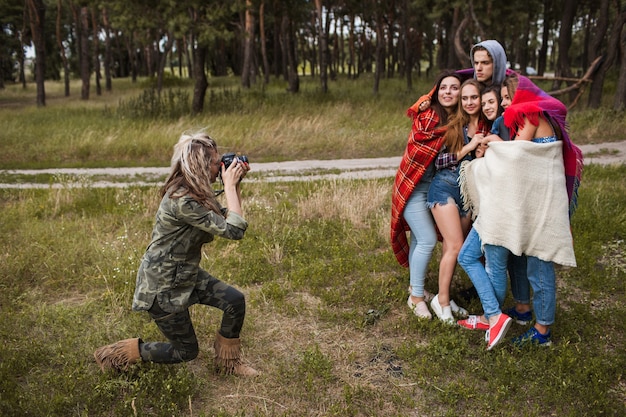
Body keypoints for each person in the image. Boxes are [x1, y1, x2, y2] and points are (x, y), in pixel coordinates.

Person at [94, 131, 259, 376]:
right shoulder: (182, 200)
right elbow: (234, 230)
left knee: (234, 301)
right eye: (217, 162)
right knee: (186, 351)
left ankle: (229, 363)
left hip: (186, 274)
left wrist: (235, 186)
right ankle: (117, 354)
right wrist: (229, 185)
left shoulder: (195, 192)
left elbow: (229, 218)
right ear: (201, 165)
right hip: (163, 286)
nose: (220, 166)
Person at [457, 75, 583, 349]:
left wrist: (491, 143)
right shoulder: (530, 114)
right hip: (534, 201)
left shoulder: (529, 113)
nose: (503, 104)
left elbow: (516, 155)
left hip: (542, 206)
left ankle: (542, 331)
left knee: (540, 266)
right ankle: (524, 312)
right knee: (524, 261)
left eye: (505, 98)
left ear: (520, 95)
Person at [391, 70, 463, 320]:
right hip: (412, 187)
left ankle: (415, 288)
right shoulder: (429, 114)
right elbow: (421, 144)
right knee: (428, 239)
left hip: (430, 187)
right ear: (436, 90)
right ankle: (415, 298)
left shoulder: (455, 120)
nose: (448, 92)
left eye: (454, 88)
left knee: (419, 241)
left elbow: (442, 161)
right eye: (443, 87)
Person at [426, 78, 488, 323]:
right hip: (444, 188)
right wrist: (469, 146)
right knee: (454, 245)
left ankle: (444, 296)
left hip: (468, 195)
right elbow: (438, 162)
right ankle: (441, 303)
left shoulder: (488, 126)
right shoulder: (456, 126)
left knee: (451, 248)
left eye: (474, 97)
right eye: (466, 98)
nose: (470, 102)